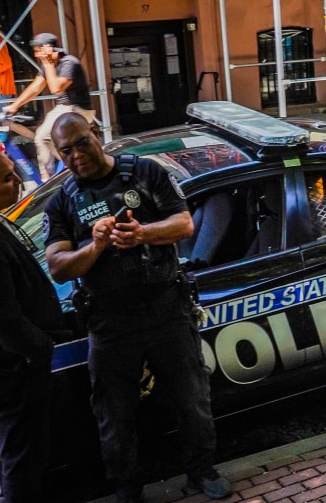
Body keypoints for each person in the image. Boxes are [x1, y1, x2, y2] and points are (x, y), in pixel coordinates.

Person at [42, 114, 229, 503]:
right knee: (114, 414)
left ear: (97, 134)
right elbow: (58, 265)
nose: (76, 156)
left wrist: (142, 233)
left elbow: (183, 224)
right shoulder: (61, 202)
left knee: (191, 398)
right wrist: (95, 246)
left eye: (81, 143)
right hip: (110, 321)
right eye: (66, 151)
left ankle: (201, 471)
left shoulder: (145, 173)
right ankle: (127, 488)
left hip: (166, 308)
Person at [0, 146, 63, 503]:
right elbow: (4, 319)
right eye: (7, 177)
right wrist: (39, 350)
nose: (19, 180)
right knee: (23, 460)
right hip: (14, 373)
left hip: (15, 367)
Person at [0, 33, 95, 180]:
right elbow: (35, 88)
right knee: (43, 137)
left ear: (49, 48)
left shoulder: (69, 63)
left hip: (78, 110)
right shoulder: (48, 65)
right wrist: (14, 106)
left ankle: (58, 173)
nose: (37, 55)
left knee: (43, 136)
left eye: (38, 50)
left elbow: (56, 88)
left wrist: (48, 64)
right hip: (63, 108)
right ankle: (58, 172)